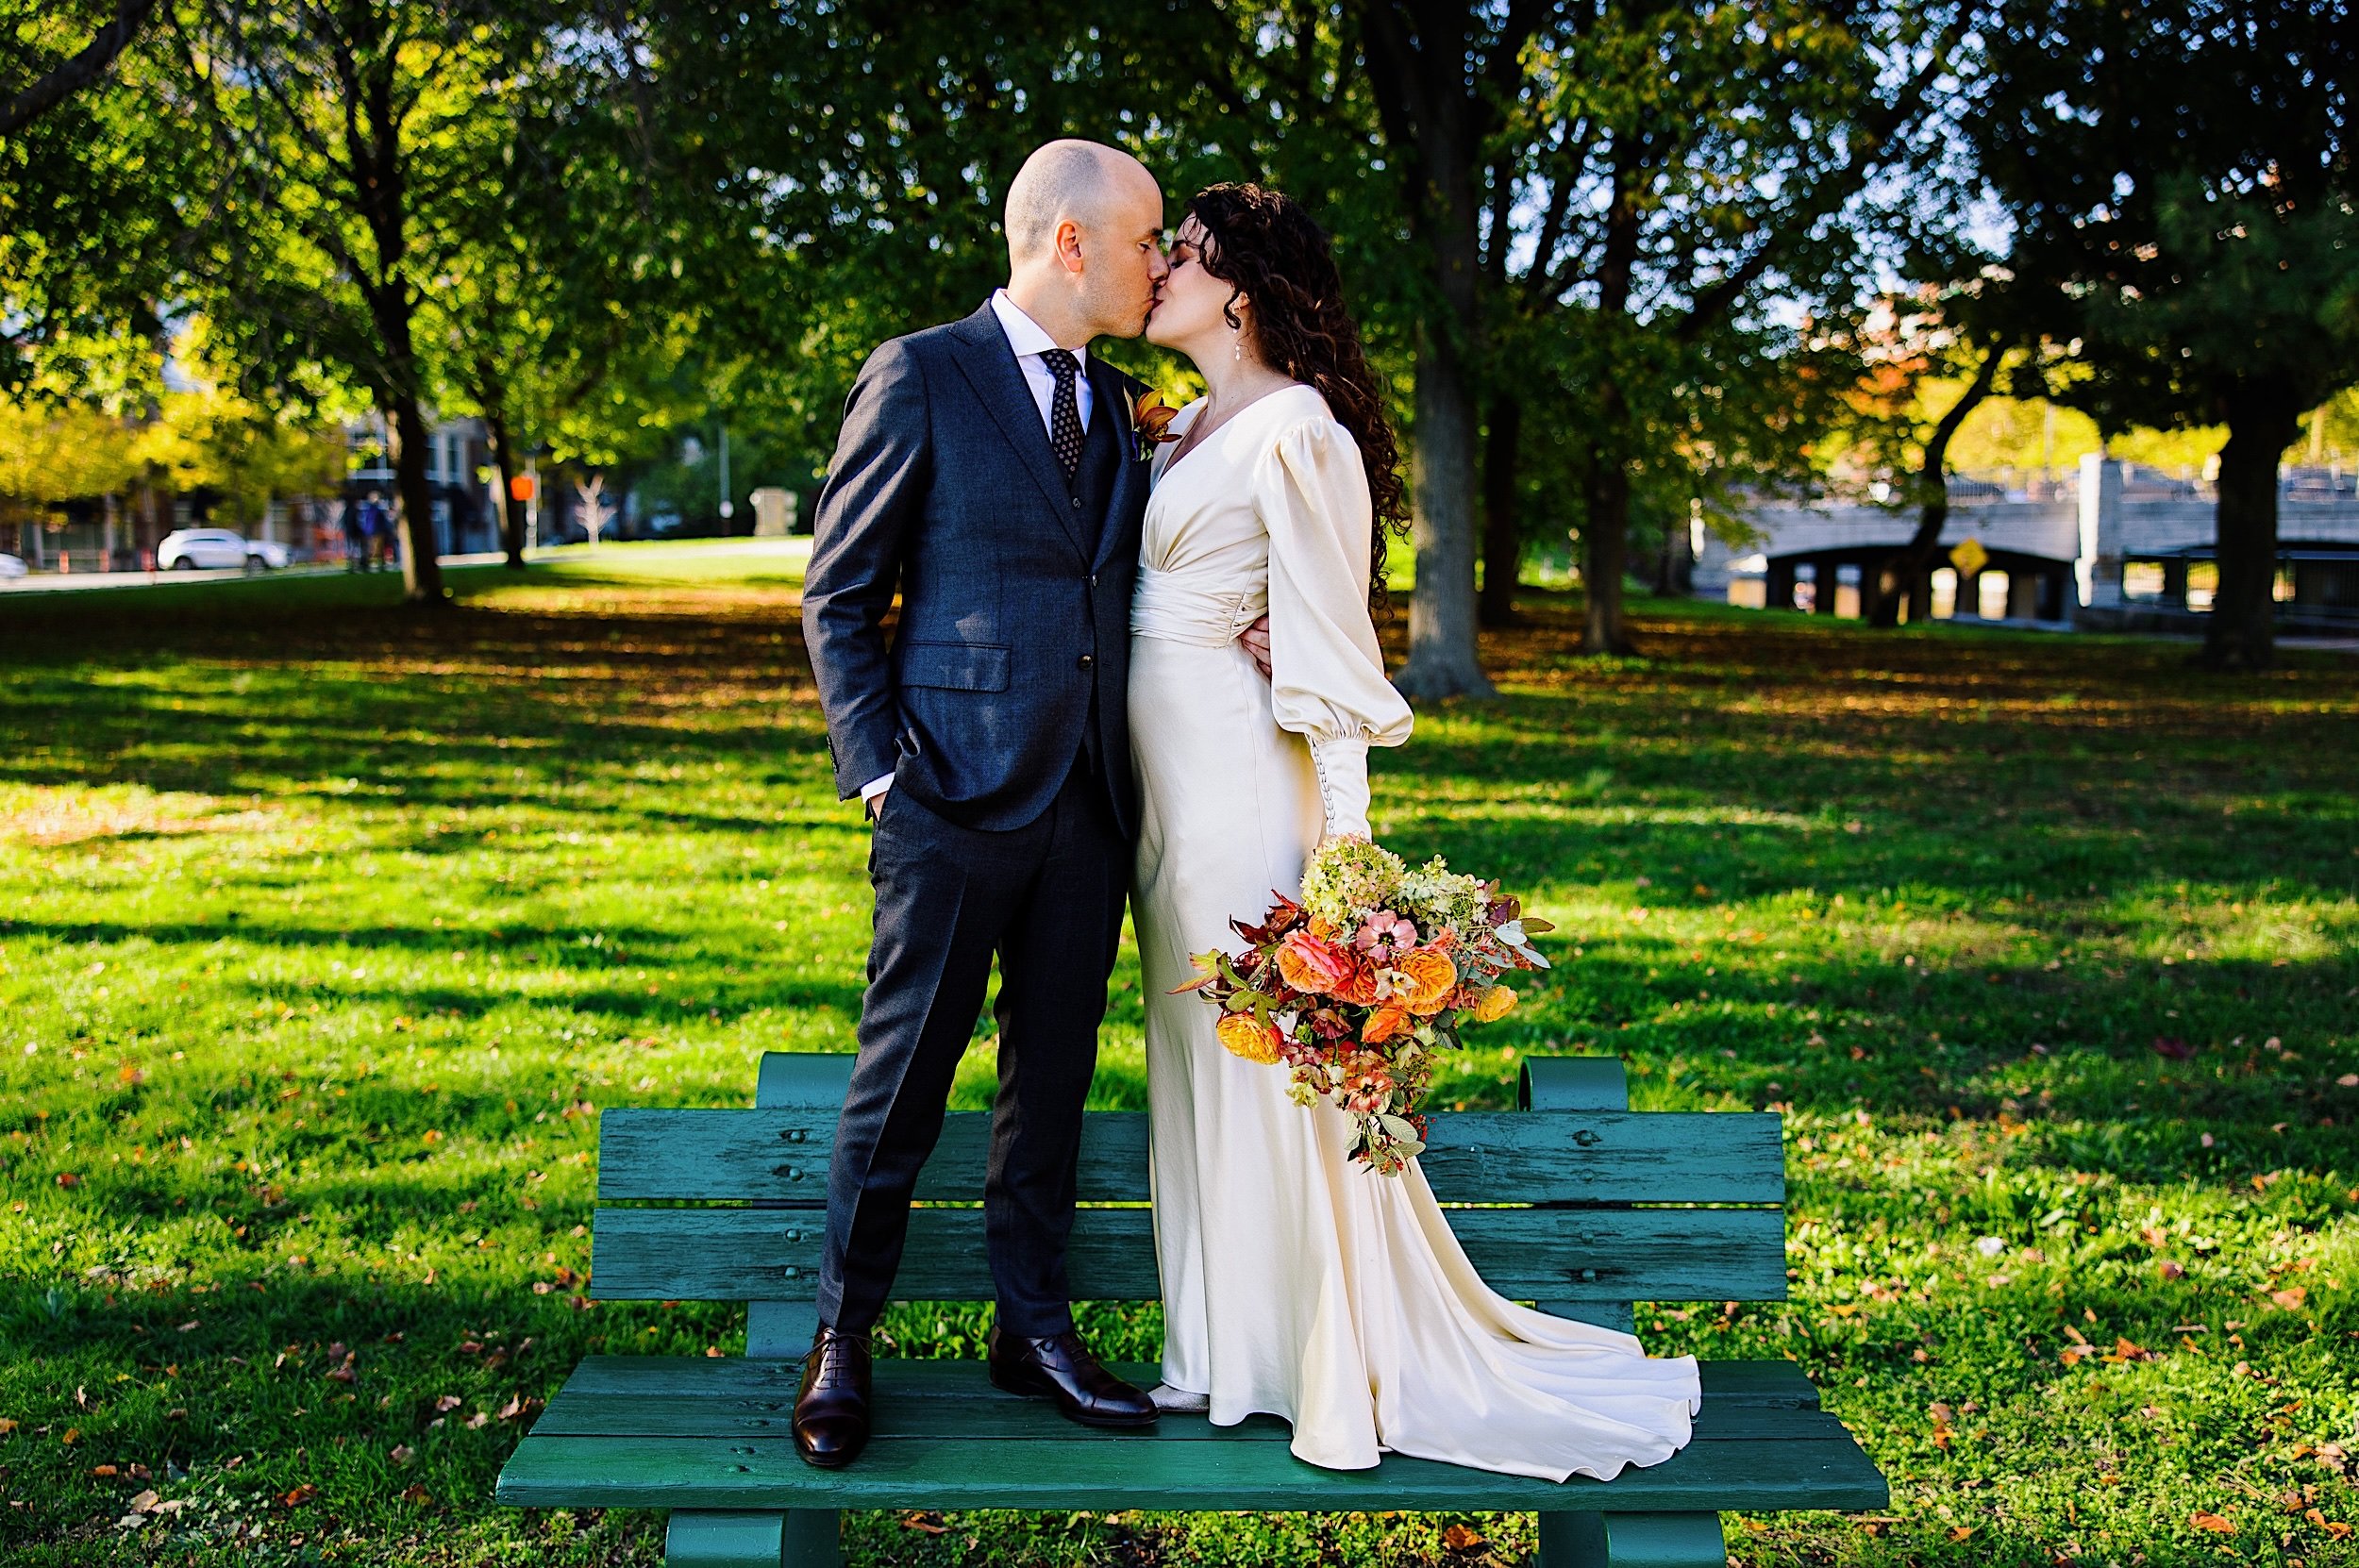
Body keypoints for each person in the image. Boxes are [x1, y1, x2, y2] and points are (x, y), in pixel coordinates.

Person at [1129, 183, 1702, 1480]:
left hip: (1232, 788)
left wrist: (1344, 858)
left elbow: (1330, 660)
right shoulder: (1184, 428)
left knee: (1262, 1059)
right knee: (1195, 1058)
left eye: (1186, 254)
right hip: (1157, 807)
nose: (1158, 270)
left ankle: (1323, 1358)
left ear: (1241, 288)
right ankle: (1221, 1354)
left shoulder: (1298, 428)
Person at [798, 140, 1258, 1470]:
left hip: (1089, 807)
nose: (1161, 260)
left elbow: (1173, 572)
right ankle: (843, 1338)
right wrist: (883, 777)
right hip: (946, 794)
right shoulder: (922, 374)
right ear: (1068, 244)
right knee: (902, 1082)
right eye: (1146, 238)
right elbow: (840, 592)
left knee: (1047, 1083)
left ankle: (1033, 1329)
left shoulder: (1125, 409)